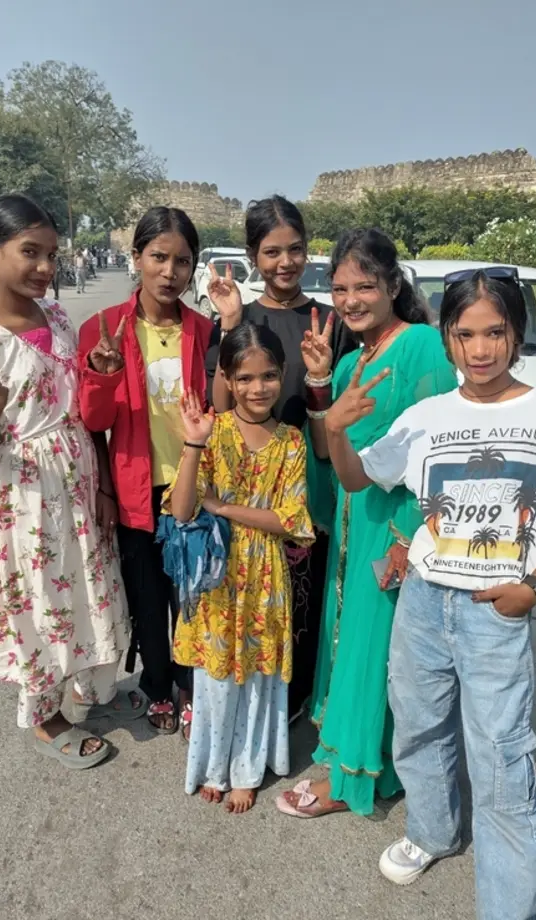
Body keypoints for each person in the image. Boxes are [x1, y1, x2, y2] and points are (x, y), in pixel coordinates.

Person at [323, 266, 536, 920]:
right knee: (418, 728)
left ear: (516, 335)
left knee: (502, 762)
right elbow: (358, 482)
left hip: (492, 611)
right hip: (421, 601)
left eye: (495, 332)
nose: (480, 349)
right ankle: (434, 830)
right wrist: (333, 429)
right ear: (445, 334)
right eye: (465, 333)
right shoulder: (428, 416)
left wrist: (535, 589)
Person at [0, 194, 136, 769]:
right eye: (31, 252)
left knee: (88, 584)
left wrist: (101, 485)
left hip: (77, 478)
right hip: (24, 495)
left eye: (52, 254)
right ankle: (47, 717)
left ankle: (91, 688)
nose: (46, 268)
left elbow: (76, 410)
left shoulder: (55, 317)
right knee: (38, 599)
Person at [275, 228, 457, 819]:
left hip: (395, 525)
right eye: (340, 288)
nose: (351, 300)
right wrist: (323, 386)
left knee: (377, 644)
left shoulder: (422, 346)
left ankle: (355, 775)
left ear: (393, 286)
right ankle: (361, 752)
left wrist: (410, 537)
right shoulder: (353, 358)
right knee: (351, 638)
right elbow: (330, 455)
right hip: (354, 520)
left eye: (365, 286)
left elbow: (442, 451)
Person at [205, 195, 356, 722]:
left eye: (295, 249)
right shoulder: (238, 318)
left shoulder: (332, 321)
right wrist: (226, 324)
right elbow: (218, 409)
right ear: (253, 256)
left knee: (305, 590)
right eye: (271, 252)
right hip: (249, 480)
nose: (285, 263)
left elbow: (333, 412)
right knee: (250, 589)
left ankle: (296, 697)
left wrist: (319, 377)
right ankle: (245, 694)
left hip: (310, 471)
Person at [166, 322, 315, 813]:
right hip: (215, 575)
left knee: (256, 675)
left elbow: (290, 519)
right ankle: (212, 765)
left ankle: (247, 769)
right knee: (216, 676)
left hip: (266, 576)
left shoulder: (291, 441)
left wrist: (225, 507)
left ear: (282, 374)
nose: (258, 388)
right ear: (227, 378)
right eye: (245, 378)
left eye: (269, 376)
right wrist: (192, 445)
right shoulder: (212, 431)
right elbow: (183, 509)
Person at [78, 206, 214, 737]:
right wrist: (102, 374)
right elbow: (93, 420)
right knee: (148, 596)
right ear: (136, 258)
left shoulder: (203, 330)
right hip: (137, 487)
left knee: (192, 594)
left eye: (182, 261)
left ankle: (189, 683)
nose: (169, 271)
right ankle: (157, 684)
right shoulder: (105, 328)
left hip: (191, 483)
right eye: (158, 257)